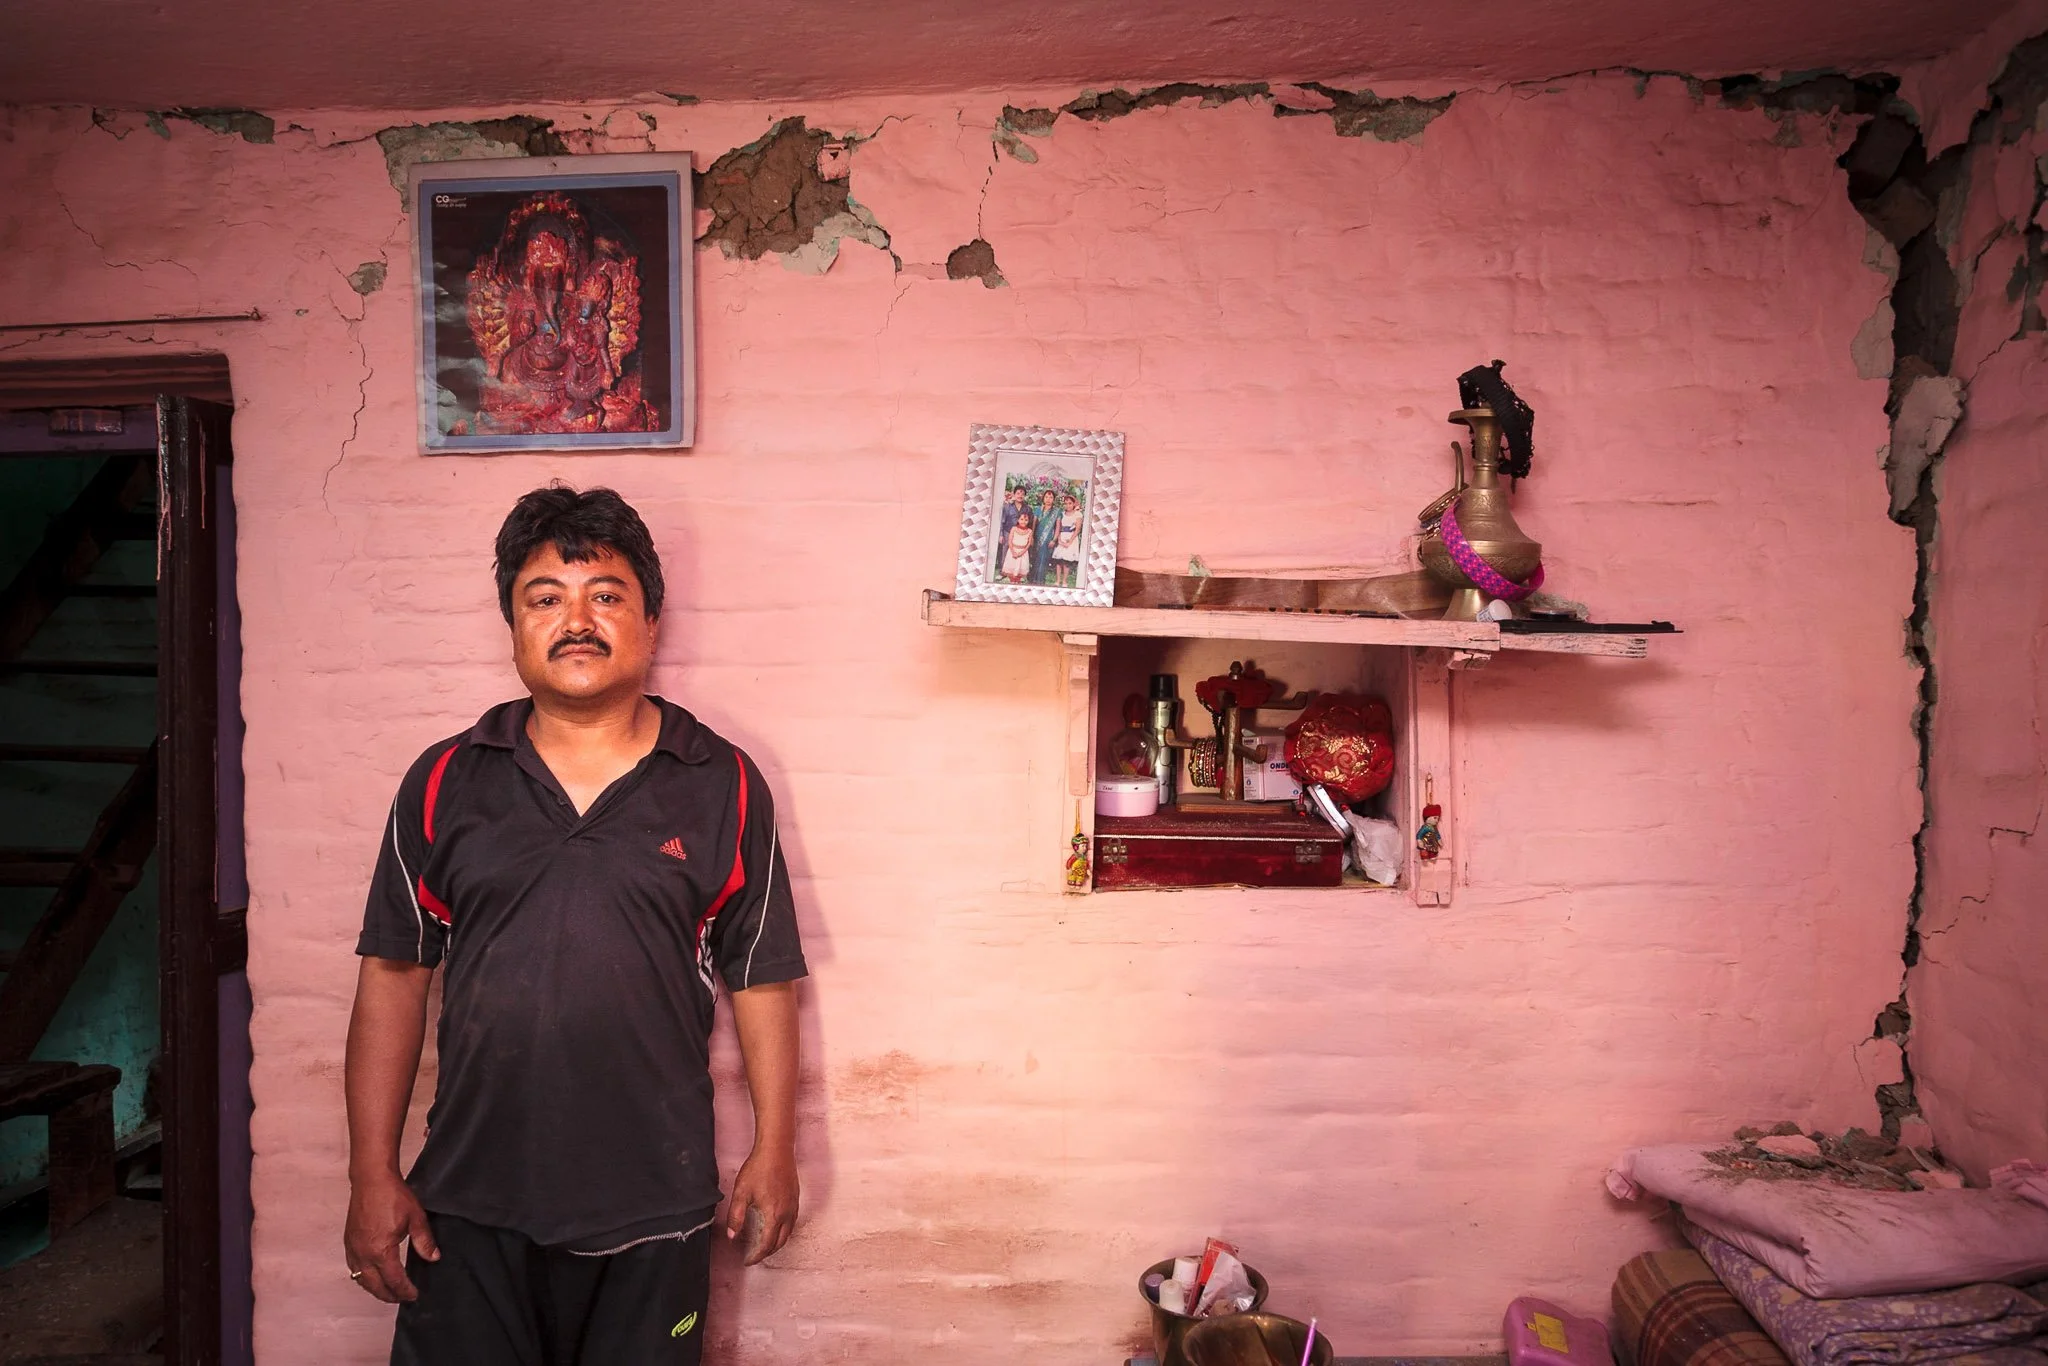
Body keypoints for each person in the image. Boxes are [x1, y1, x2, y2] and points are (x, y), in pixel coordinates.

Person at [343, 486, 806, 1365]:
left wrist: (773, 1150)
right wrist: (372, 1172)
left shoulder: (723, 782)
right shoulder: (445, 780)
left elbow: (761, 978)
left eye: (607, 595)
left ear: (651, 622)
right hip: (468, 1203)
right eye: (546, 598)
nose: (577, 621)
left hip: (656, 1204)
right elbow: (393, 976)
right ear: (513, 626)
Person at [1050, 492, 1083, 588]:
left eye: (1070, 503)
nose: (1068, 505)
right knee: (1059, 560)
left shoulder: (1077, 514)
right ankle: (1057, 580)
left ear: (1073, 504)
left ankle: (1064, 581)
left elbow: (1077, 529)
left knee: (1066, 561)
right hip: (1062, 536)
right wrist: (1059, 540)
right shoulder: (1061, 514)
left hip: (1071, 538)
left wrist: (1070, 542)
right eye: (1066, 503)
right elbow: (1058, 527)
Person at [1030, 488, 1060, 584]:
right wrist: (1031, 537)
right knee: (1035, 558)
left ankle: (1040, 580)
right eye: (1046, 497)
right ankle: (1032, 579)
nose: (1048, 499)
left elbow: (1058, 527)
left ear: (1054, 499)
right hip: (1037, 537)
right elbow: (1034, 524)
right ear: (1043, 498)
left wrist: (1054, 540)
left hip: (1048, 539)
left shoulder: (1057, 511)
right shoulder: (1038, 509)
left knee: (1043, 559)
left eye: (1051, 497)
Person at [999, 508, 1035, 583]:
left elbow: (1028, 543)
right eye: (1021, 519)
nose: (1023, 521)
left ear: (1028, 521)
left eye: (1026, 520)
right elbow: (1010, 541)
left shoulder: (1029, 531)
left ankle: (1017, 582)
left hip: (1023, 553)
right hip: (1013, 552)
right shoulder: (1014, 529)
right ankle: (1012, 582)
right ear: (1018, 520)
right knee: (1012, 571)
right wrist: (1013, 552)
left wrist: (1022, 552)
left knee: (1019, 572)